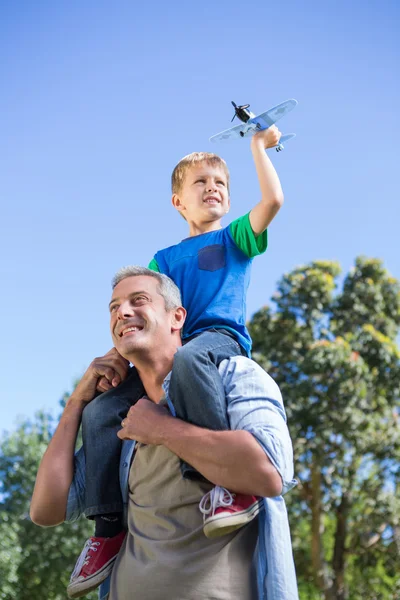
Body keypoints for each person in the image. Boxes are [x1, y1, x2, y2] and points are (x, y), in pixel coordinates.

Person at [54, 125, 286, 597]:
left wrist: (258, 149)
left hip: (216, 341)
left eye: (220, 182)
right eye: (200, 183)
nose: (213, 188)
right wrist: (111, 359)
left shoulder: (237, 238)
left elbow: (274, 202)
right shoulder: (163, 258)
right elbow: (145, 315)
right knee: (100, 411)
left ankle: (222, 485)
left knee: (190, 363)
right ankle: (108, 529)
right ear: (178, 202)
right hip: (172, 350)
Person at [30, 269, 298, 600]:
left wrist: (162, 430)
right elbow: (46, 509)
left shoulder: (234, 377)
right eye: (113, 308)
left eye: (137, 300)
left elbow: (269, 473)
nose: (122, 312)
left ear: (177, 317)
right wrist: (76, 403)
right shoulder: (115, 420)